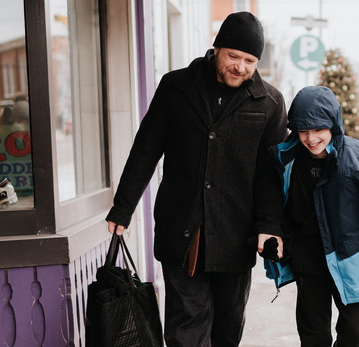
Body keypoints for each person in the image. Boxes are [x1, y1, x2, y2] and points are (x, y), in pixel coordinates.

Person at [104, 11, 287, 347]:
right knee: (186, 325)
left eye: (250, 61)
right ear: (216, 48)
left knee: (227, 327)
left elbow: (269, 173)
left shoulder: (269, 103)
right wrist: (123, 207)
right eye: (234, 56)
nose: (241, 67)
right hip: (183, 229)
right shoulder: (176, 87)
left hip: (236, 232)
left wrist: (270, 224)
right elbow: (146, 150)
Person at [267, 86, 359, 347]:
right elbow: (277, 204)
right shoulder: (288, 159)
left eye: (318, 129)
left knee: (355, 330)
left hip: (352, 258)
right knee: (313, 335)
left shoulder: (357, 157)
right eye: (303, 131)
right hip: (308, 259)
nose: (311, 138)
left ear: (333, 125)